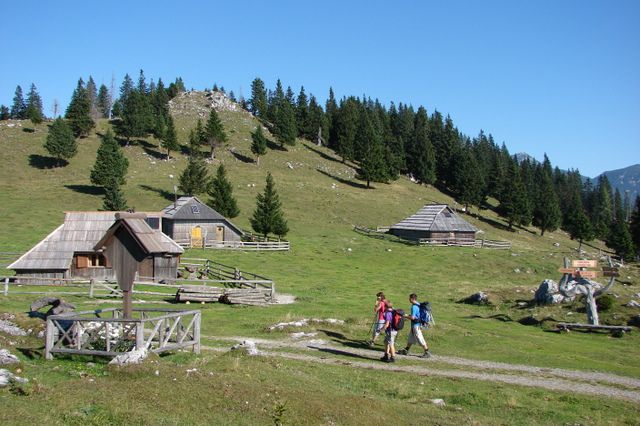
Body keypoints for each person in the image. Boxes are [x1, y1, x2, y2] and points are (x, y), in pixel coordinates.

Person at [398, 293, 431, 358]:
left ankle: (427, 352)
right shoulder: (418, 304)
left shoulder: (414, 306)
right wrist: (408, 315)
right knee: (410, 338)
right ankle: (406, 350)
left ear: (412, 299)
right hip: (415, 325)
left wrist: (405, 316)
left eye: (409, 298)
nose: (409, 299)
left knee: (419, 337)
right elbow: (415, 316)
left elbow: (413, 317)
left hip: (416, 325)